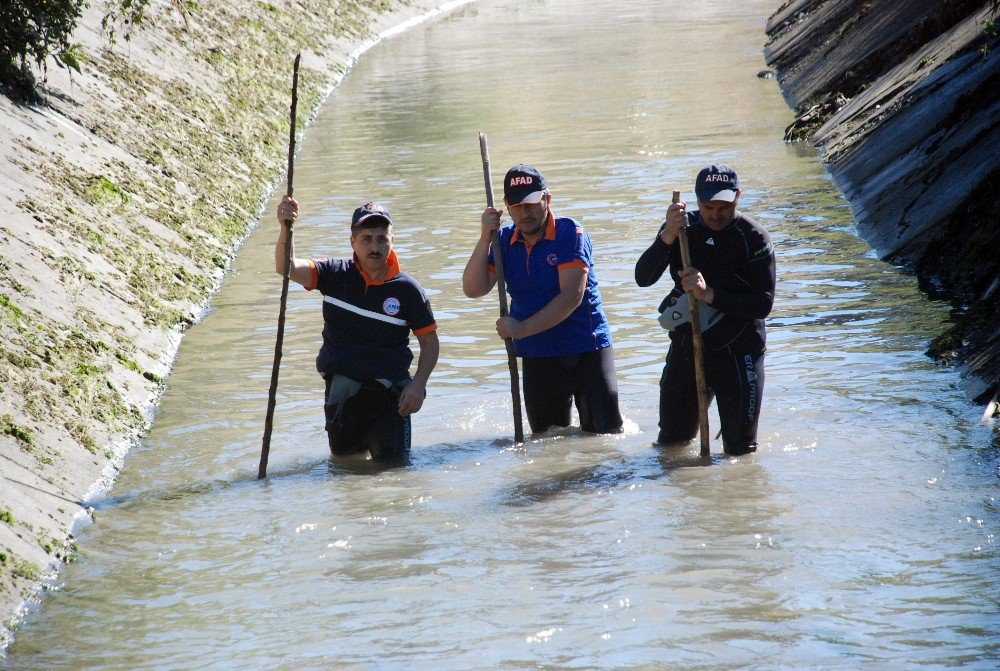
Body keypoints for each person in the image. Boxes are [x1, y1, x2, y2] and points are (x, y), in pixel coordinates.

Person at [275, 197, 439, 465]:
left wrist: (419, 385)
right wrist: (285, 226)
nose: (374, 247)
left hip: (390, 400)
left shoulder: (409, 291)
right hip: (342, 398)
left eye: (381, 239)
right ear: (353, 241)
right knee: (345, 469)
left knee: (393, 471)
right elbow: (287, 268)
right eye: (366, 239)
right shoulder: (333, 274)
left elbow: (430, 344)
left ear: (392, 241)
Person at [462, 164, 623, 435]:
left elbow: (571, 296)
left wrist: (521, 329)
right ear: (506, 207)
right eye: (516, 206)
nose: (524, 213)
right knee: (547, 442)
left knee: (603, 441)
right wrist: (483, 239)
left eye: (531, 203)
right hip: (539, 356)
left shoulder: (570, 233)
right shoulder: (502, 241)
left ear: (547, 200)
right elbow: (473, 289)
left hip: (586, 349)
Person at [634, 164, 775, 455]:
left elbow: (763, 304)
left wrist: (708, 294)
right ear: (697, 201)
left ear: (738, 197)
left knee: (739, 452)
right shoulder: (683, 230)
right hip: (688, 348)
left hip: (739, 354)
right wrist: (667, 235)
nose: (715, 214)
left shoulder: (754, 238)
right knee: (671, 445)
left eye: (724, 206)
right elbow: (643, 278)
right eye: (708, 206)